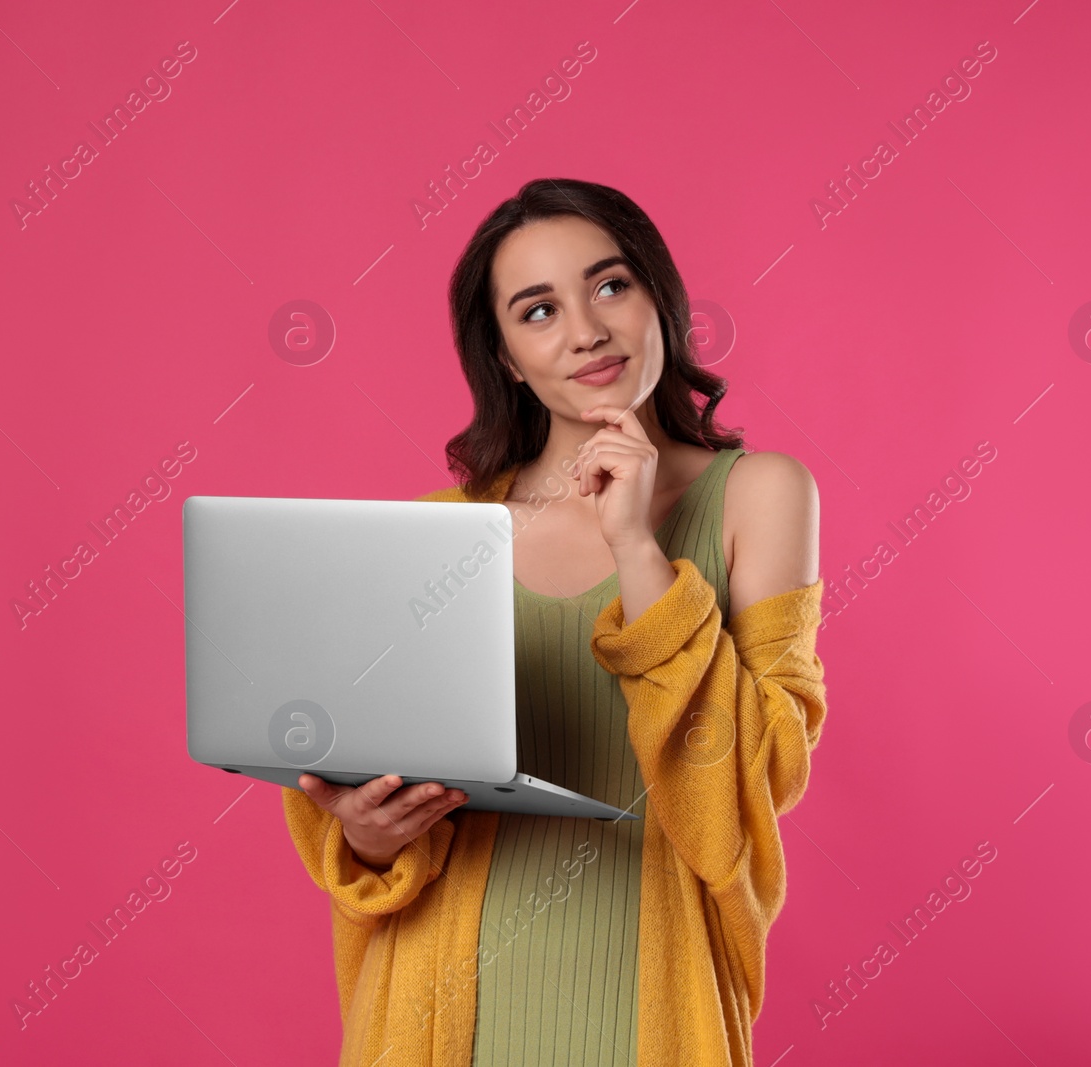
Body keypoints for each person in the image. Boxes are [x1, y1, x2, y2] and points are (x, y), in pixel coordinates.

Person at [283, 177, 829, 1066]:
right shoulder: (433, 533)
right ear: (503, 354)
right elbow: (365, 806)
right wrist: (367, 835)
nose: (585, 330)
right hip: (438, 1010)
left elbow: (746, 792)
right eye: (538, 310)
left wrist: (638, 549)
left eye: (611, 285)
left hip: (646, 1007)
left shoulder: (759, 495)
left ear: (661, 296)